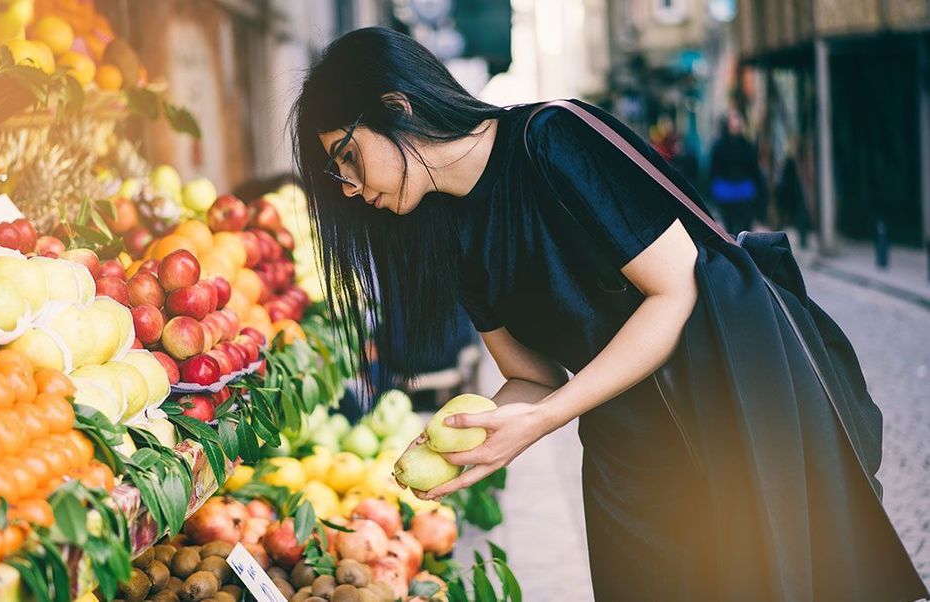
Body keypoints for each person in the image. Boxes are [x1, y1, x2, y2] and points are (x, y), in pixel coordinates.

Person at [290, 27, 926, 601]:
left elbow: (675, 291)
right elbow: (534, 376)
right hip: (628, 462)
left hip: (728, 418)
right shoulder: (452, 236)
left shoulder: (552, 139)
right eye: (335, 174)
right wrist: (480, 445)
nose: (349, 187)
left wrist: (542, 419)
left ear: (397, 108)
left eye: (347, 156)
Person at [707, 110, 764, 235]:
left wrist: (759, 191)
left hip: (743, 191)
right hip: (725, 191)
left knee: (744, 227)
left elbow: (753, 169)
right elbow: (713, 169)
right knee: (730, 227)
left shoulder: (747, 146)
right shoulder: (719, 146)